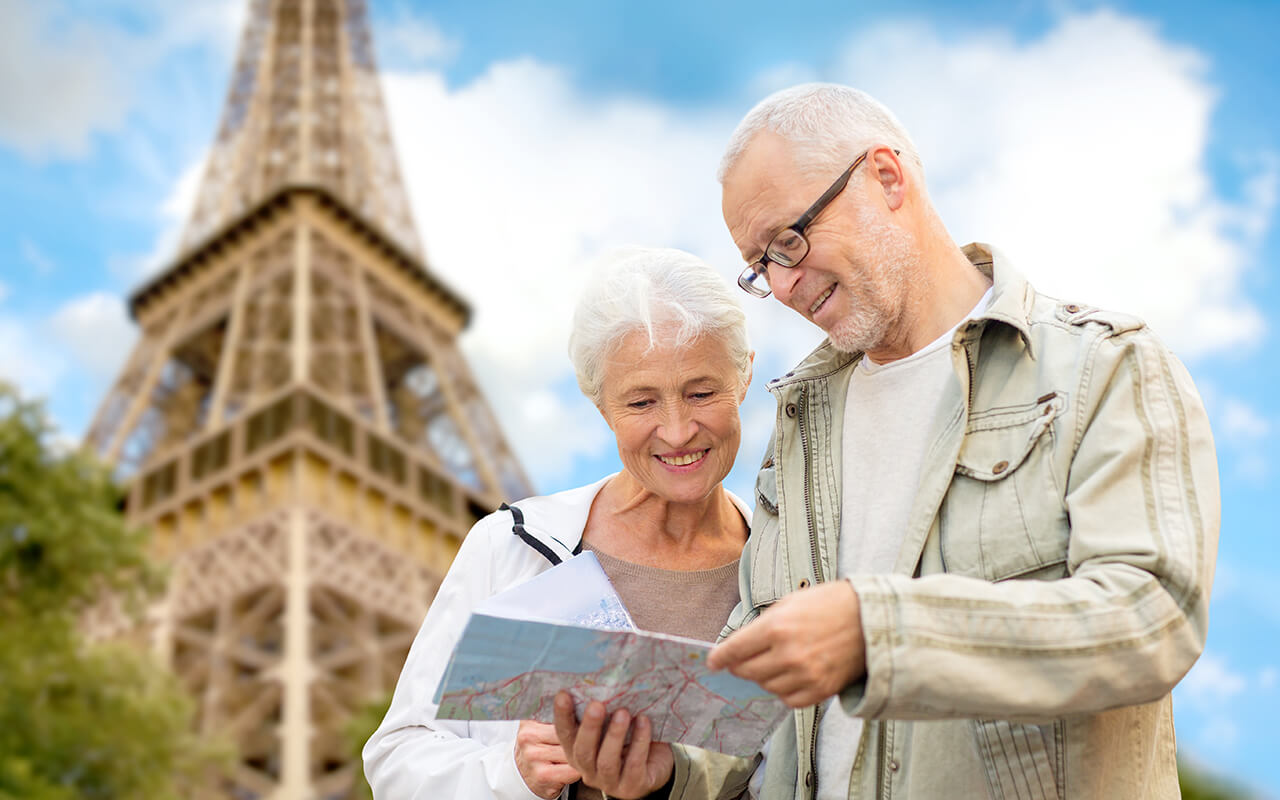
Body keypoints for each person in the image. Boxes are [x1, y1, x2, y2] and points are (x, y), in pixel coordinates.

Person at [558, 84, 1220, 800]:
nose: (782, 285)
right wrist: (673, 771)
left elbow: (1153, 617)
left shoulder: (1103, 367)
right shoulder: (799, 424)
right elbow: (761, 703)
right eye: (760, 265)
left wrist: (881, 634)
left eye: (789, 240)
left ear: (886, 176)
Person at [362, 246, 757, 800]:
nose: (676, 430)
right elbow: (396, 758)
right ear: (601, 407)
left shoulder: (787, 566)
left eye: (701, 392)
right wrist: (511, 773)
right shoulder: (511, 547)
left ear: (744, 377)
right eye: (641, 402)